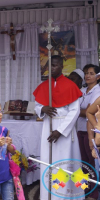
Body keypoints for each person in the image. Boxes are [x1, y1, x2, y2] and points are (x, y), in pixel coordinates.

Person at [33, 55, 83, 200]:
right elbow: (37, 106)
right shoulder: (43, 86)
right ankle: (47, 195)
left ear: (61, 66)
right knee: (48, 161)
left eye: (55, 65)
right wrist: (43, 109)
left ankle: (65, 196)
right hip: (47, 127)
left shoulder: (70, 85)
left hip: (64, 130)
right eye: (49, 65)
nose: (52, 68)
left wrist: (60, 131)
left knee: (64, 162)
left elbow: (75, 111)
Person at [76, 65, 100, 199]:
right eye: (86, 73)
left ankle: (94, 192)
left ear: (98, 76)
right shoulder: (82, 90)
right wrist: (79, 111)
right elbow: (75, 109)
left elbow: (90, 112)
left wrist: (77, 111)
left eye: (91, 73)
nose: (88, 76)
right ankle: (86, 189)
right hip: (79, 129)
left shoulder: (98, 91)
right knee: (83, 162)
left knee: (92, 161)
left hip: (91, 131)